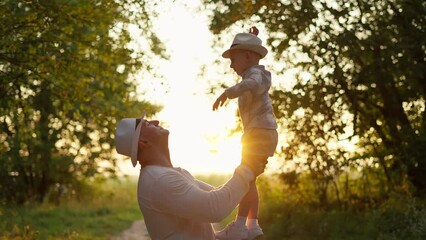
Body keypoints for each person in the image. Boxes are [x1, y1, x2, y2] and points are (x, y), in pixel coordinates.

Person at [114, 112, 268, 240]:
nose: (155, 121)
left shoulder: (174, 173)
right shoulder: (159, 180)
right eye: (147, 124)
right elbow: (214, 208)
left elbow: (223, 196)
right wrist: (247, 169)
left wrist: (249, 173)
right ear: (143, 142)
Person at [212, 26, 278, 240]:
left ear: (248, 56)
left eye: (233, 59)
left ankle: (240, 226)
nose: (231, 64)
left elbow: (253, 84)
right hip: (260, 133)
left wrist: (228, 92)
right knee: (249, 181)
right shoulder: (254, 73)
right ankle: (252, 224)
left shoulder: (257, 74)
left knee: (243, 178)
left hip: (259, 133)